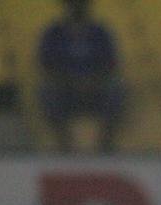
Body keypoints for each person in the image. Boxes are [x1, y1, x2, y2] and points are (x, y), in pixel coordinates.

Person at [37, 0, 126, 152]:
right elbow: (46, 64)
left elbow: (111, 63)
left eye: (81, 3)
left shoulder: (100, 32)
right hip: (64, 88)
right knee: (47, 91)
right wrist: (69, 82)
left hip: (97, 88)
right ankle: (64, 145)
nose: (77, 7)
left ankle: (105, 145)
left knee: (116, 89)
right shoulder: (54, 32)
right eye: (73, 4)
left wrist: (93, 81)